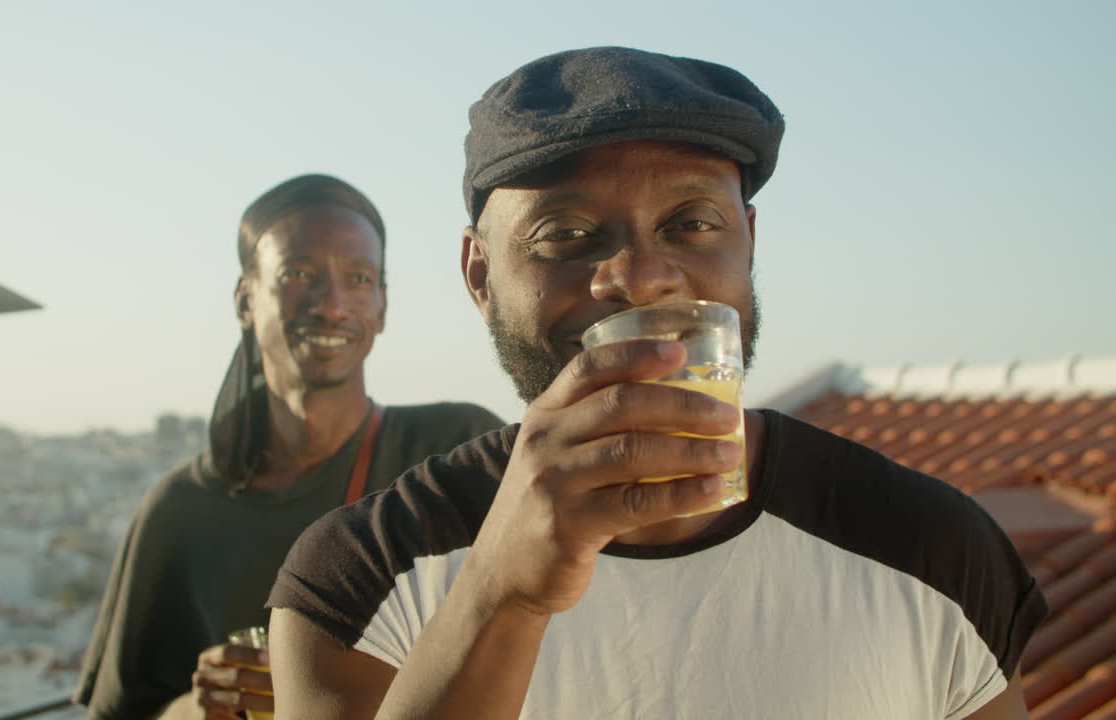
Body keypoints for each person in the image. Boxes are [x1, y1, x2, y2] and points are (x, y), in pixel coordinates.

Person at [265, 48, 1048, 719]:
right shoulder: (358, 582)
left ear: (748, 244)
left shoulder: (933, 549)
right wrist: (502, 594)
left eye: (692, 224)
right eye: (565, 235)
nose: (639, 280)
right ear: (479, 275)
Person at [73, 174, 504, 720]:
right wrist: (200, 707)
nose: (332, 304)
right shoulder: (179, 512)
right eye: (299, 274)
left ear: (383, 306)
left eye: (359, 278)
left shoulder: (453, 451)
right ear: (245, 299)